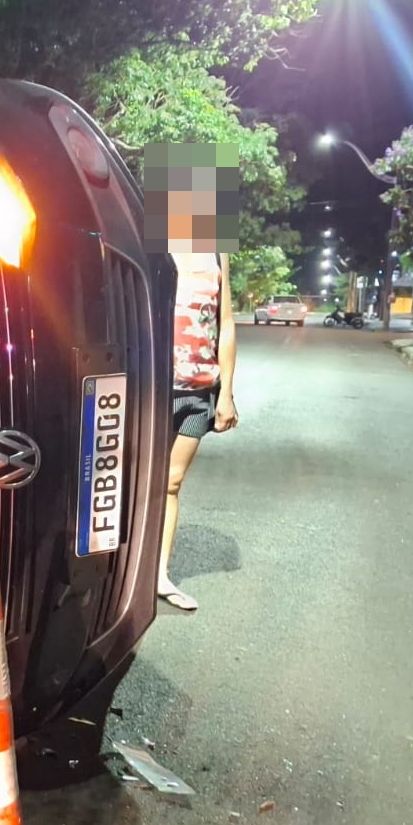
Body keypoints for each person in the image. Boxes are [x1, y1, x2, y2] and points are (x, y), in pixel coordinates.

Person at [159, 247, 238, 611]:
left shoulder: (217, 253)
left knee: (172, 483)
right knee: (134, 482)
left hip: (198, 390)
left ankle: (159, 575)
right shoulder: (151, 240)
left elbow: (225, 325)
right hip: (152, 388)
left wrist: (227, 394)